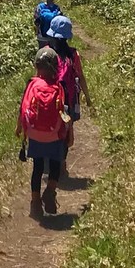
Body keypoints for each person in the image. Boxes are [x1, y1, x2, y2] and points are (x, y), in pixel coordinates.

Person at [17, 46, 69, 215]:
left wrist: (20, 128)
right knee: (54, 165)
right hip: (53, 135)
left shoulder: (32, 84)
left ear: (37, 66)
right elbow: (63, 113)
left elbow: (23, 108)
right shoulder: (59, 87)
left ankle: (35, 203)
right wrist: (68, 132)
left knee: (38, 167)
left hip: (34, 133)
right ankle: (50, 191)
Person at [45, 16, 87, 170]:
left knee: (50, 125)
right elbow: (81, 77)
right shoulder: (73, 54)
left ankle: (50, 158)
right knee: (66, 128)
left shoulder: (46, 53)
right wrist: (87, 98)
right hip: (68, 99)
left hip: (51, 98)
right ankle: (62, 161)